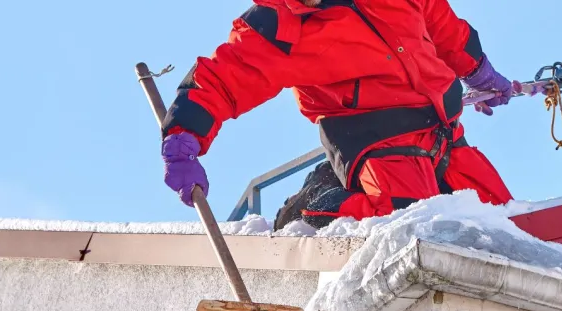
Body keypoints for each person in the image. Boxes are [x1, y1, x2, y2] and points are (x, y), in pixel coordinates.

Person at [161, 0, 526, 230]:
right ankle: (317, 202)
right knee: (411, 222)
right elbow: (223, 78)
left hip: (443, 131)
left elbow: (440, 22)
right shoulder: (279, 26)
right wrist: (183, 139)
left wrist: (477, 68)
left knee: (506, 219)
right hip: (377, 141)